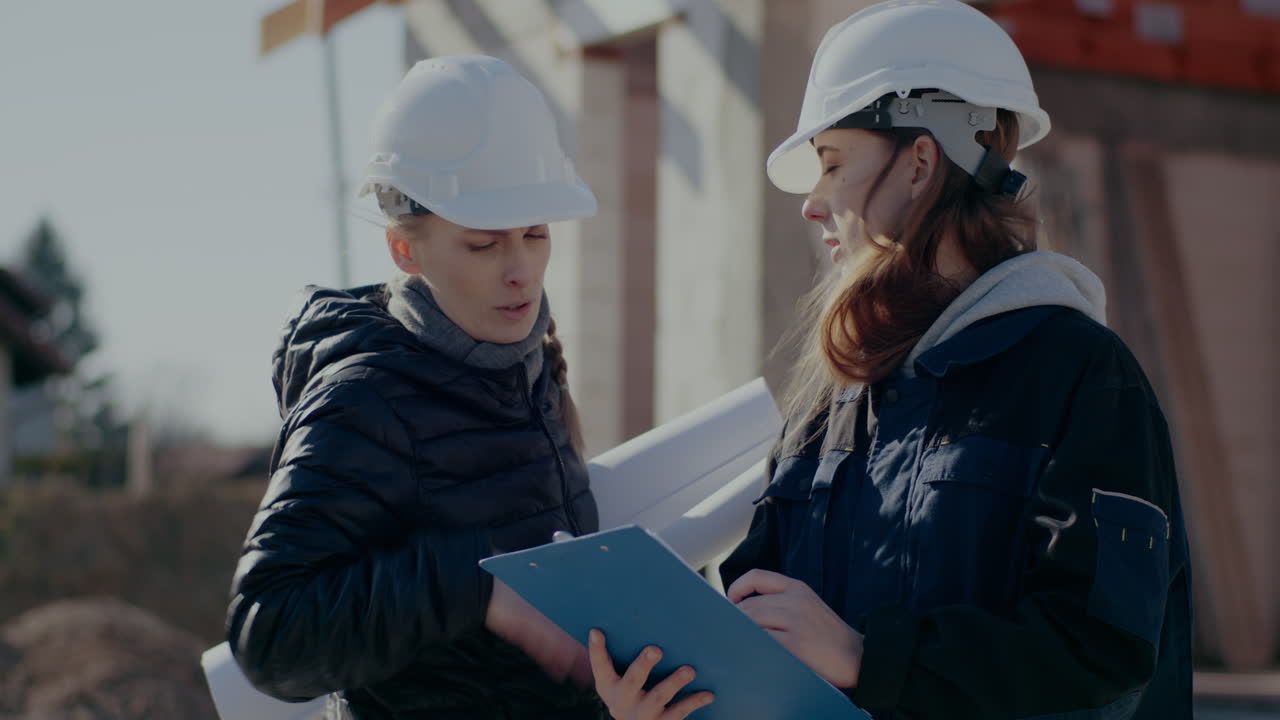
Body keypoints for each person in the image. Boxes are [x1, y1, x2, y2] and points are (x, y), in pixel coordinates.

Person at [589, 2, 1192, 718]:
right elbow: (764, 634)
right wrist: (671, 695)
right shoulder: (830, 405)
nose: (812, 204)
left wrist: (864, 658)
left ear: (920, 163)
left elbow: (1103, 654)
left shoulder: (1082, 378)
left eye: (833, 164)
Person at [226, 55, 610, 720]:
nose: (521, 270)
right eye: (484, 245)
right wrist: (474, 587)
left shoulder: (532, 370)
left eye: (535, 234)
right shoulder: (364, 402)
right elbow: (270, 629)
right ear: (407, 251)